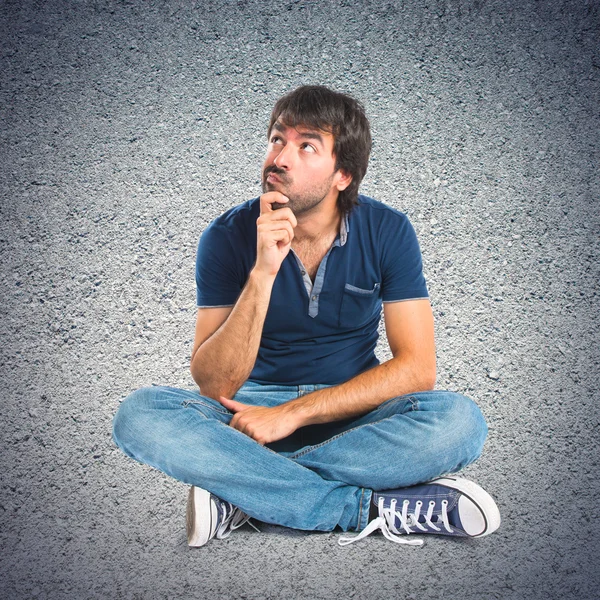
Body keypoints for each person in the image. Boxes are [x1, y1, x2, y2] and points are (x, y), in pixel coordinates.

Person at [112, 85, 500, 548]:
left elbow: (417, 369)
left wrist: (292, 414)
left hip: (355, 417)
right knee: (139, 414)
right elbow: (215, 386)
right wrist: (263, 272)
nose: (281, 157)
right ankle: (366, 507)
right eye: (277, 139)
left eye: (306, 145)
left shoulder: (388, 230)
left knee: (460, 421)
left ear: (343, 175)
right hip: (245, 421)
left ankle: (244, 493)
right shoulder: (225, 235)